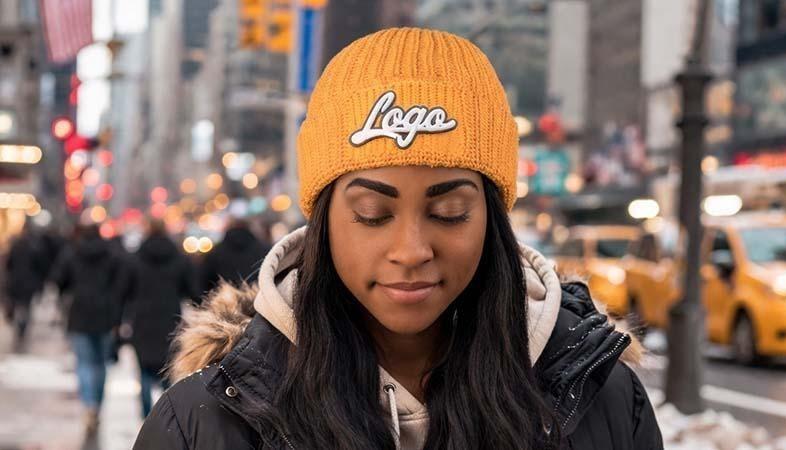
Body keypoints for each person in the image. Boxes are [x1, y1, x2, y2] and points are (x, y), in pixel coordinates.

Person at [134, 28, 662, 449]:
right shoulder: (202, 424)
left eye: (450, 212)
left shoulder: (606, 402)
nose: (411, 250)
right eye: (371, 213)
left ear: (493, 219)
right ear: (322, 222)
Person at [120, 220, 200, 418]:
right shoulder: (178, 258)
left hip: (142, 321)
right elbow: (192, 291)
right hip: (170, 319)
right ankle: (165, 417)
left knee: (144, 372)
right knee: (168, 371)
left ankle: (147, 418)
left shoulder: (135, 258)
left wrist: (120, 318)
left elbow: (124, 290)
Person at [51, 224, 123, 434]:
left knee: (84, 363)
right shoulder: (111, 255)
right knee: (100, 364)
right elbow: (120, 284)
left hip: (79, 313)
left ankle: (88, 403)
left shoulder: (72, 253)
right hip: (105, 315)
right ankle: (96, 405)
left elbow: (59, 279)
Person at [3, 223, 48, 347]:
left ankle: (18, 323)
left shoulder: (15, 245)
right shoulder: (35, 247)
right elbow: (40, 266)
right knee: (25, 306)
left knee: (17, 303)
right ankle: (22, 327)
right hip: (28, 282)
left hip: (16, 280)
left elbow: (9, 264)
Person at [199, 218, 269, 296]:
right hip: (261, 301)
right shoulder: (265, 249)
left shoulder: (215, 253)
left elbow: (203, 282)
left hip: (226, 304)